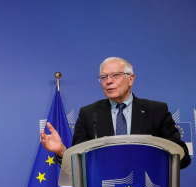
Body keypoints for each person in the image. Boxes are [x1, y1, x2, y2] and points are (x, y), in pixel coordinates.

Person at [40, 57, 191, 169]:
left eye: (115, 75)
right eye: (104, 77)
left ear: (130, 79)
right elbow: (78, 163)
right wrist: (61, 151)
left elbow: (182, 156)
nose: (108, 81)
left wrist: (150, 159)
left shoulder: (156, 111)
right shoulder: (89, 114)